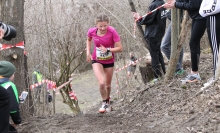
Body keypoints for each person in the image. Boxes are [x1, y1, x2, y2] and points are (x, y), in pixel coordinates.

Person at [86, 13, 123, 113]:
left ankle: (108, 103)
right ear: (96, 25)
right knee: (101, 83)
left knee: (107, 85)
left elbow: (120, 48)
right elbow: (89, 40)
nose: (103, 28)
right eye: (100, 26)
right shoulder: (92, 31)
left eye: (105, 25)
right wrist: (88, 52)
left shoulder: (112, 31)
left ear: (108, 24)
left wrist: (108, 50)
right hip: (96, 59)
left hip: (109, 60)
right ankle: (104, 103)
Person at [164, 0, 206, 83]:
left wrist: (175, 4)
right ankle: (194, 73)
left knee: (193, 43)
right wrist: (174, 2)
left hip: (202, 17)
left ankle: (195, 74)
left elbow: (192, 5)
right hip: (196, 17)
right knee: (194, 43)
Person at [133, 0, 167, 83]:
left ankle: (156, 76)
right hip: (160, 32)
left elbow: (148, 19)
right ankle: (164, 72)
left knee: (154, 55)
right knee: (158, 53)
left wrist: (139, 18)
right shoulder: (162, 3)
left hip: (153, 33)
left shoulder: (155, 4)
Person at [199, 1, 220, 86]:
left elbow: (214, 7)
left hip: (214, 18)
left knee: (215, 49)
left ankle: (216, 76)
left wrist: (204, 11)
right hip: (212, 17)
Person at [161, 9, 185, 75]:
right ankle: (179, 68)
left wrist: (168, 12)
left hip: (178, 20)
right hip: (175, 20)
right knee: (178, 44)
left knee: (164, 46)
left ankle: (177, 67)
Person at [0, 61, 22, 133]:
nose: (14, 75)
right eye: (13, 73)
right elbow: (13, 108)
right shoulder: (9, 85)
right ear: (9, 74)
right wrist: (17, 121)